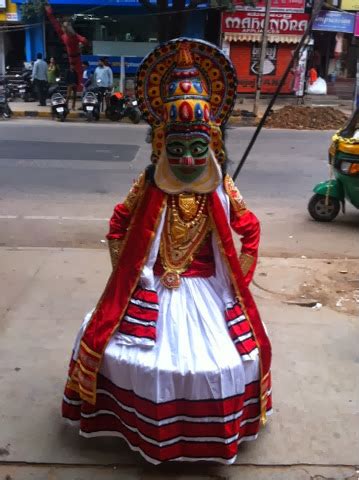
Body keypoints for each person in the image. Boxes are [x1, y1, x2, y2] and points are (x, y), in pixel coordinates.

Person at [62, 39, 272, 465]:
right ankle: (147, 433)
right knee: (144, 363)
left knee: (219, 365)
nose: (190, 160)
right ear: (161, 145)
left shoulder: (223, 188)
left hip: (209, 292)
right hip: (153, 285)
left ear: (212, 144)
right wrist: (131, 275)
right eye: (177, 149)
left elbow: (250, 230)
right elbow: (119, 223)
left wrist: (238, 279)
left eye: (199, 149)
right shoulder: (148, 186)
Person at [45, 3, 88, 91]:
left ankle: (78, 90)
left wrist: (49, 12)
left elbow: (55, 24)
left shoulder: (68, 36)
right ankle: (77, 90)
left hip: (74, 58)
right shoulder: (69, 36)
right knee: (76, 75)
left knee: (78, 75)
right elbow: (84, 40)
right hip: (73, 58)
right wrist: (82, 44)